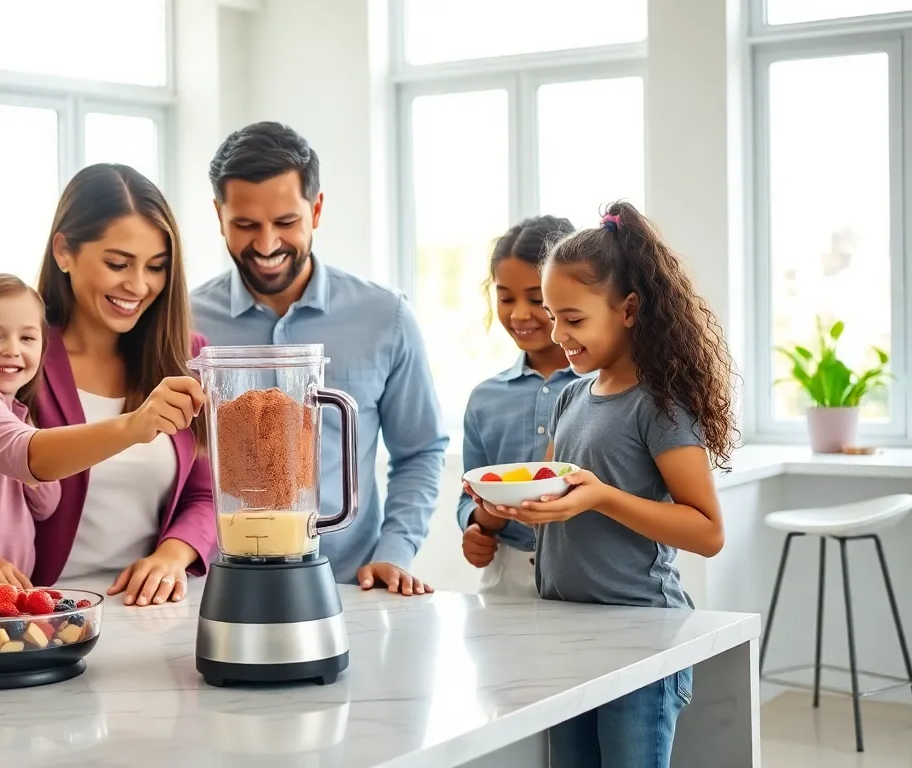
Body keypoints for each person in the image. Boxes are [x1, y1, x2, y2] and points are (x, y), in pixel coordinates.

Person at [464, 202, 737, 767]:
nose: (557, 333)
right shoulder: (573, 396)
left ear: (629, 310)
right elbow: (553, 486)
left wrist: (605, 497)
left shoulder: (660, 406)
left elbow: (708, 532)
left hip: (640, 635)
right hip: (565, 632)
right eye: (553, 315)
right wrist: (504, 506)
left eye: (574, 318)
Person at [0, 163, 215, 607]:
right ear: (63, 250)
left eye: (157, 267)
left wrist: (173, 556)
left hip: (155, 610)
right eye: (117, 263)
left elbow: (207, 492)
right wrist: (133, 425)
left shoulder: (188, 357)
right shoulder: (16, 363)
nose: (138, 285)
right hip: (44, 611)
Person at [191, 122, 448, 596]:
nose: (267, 245)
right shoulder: (184, 321)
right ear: (218, 214)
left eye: (286, 222)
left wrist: (394, 550)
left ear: (317, 208)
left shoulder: (386, 316)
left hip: (349, 585)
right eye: (245, 225)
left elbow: (420, 451)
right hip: (213, 585)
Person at [458, 215, 580, 597]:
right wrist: (476, 528)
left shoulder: (604, 390)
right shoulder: (486, 398)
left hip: (585, 571)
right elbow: (470, 496)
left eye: (537, 299)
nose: (519, 314)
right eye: (505, 297)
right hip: (505, 577)